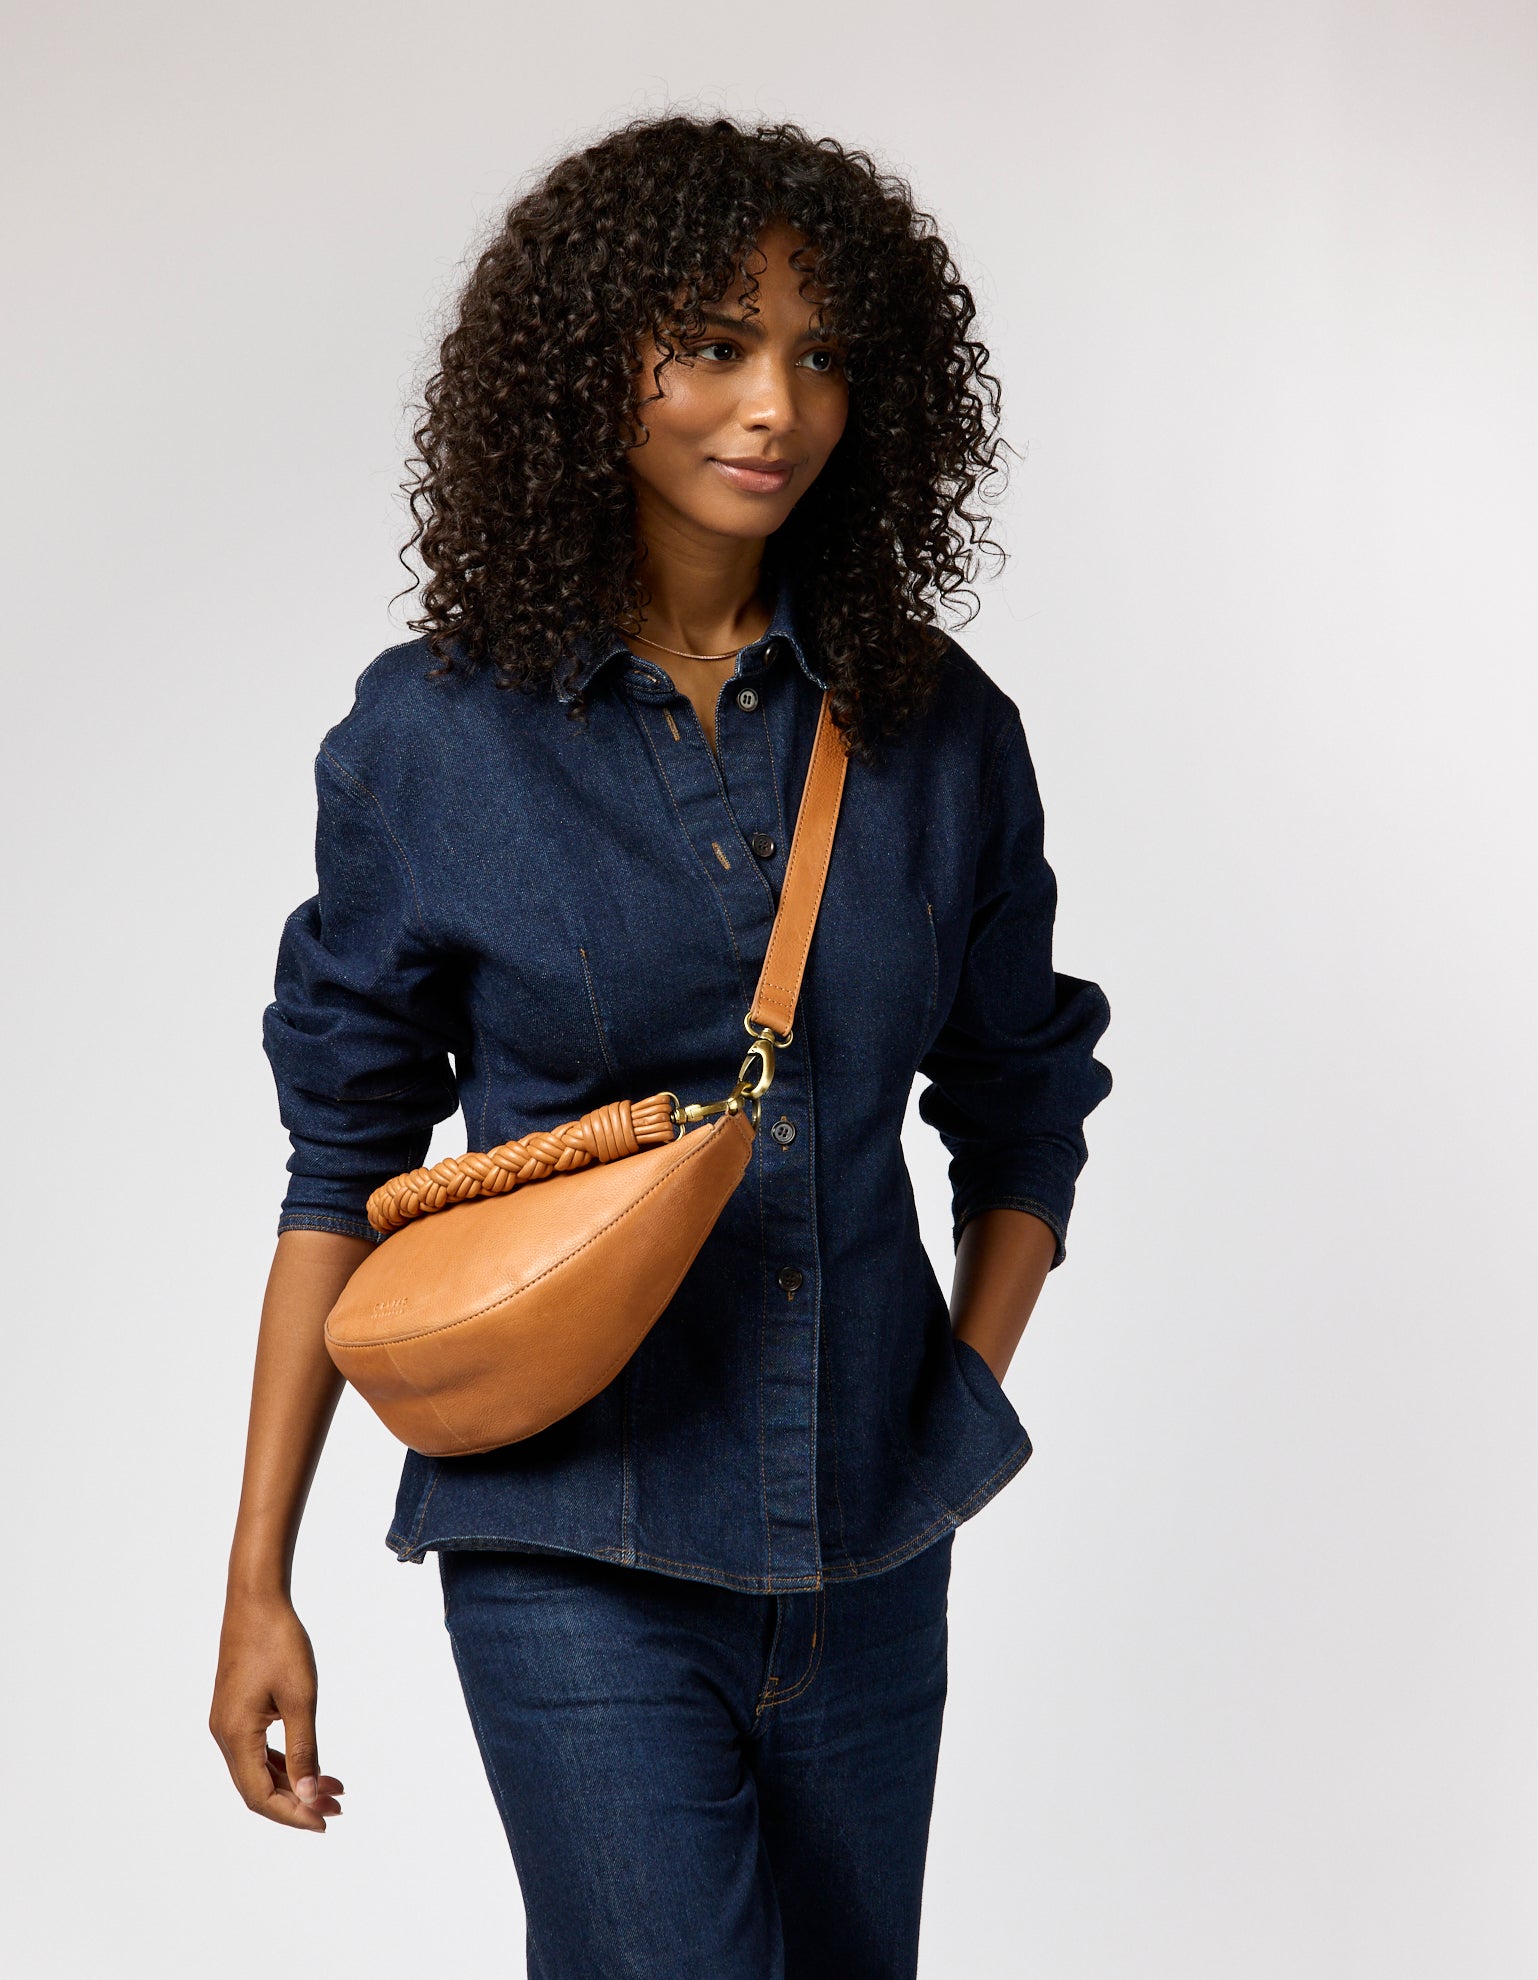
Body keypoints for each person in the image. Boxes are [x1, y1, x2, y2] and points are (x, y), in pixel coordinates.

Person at [210, 113, 1112, 1979]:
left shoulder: (942, 732)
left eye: (822, 351)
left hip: (873, 1557)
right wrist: (256, 1584)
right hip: (572, 1548)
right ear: (582, 365)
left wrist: (951, 1390)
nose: (773, 403)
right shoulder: (436, 743)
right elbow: (339, 1177)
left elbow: (1023, 1104)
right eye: (709, 342)